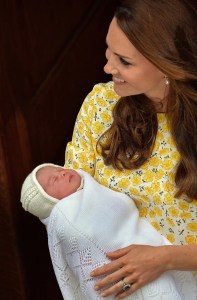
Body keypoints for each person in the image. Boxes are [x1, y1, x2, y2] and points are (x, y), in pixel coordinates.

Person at [63, 0, 197, 298]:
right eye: (109, 51)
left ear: (168, 63)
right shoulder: (100, 106)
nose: (108, 67)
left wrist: (165, 258)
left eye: (124, 61)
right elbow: (70, 205)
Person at [20, 163, 197, 299]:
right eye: (54, 180)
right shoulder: (67, 217)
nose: (62, 173)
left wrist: (163, 258)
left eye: (57, 170)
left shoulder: (92, 192)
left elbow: (122, 214)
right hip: (125, 276)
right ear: (50, 201)